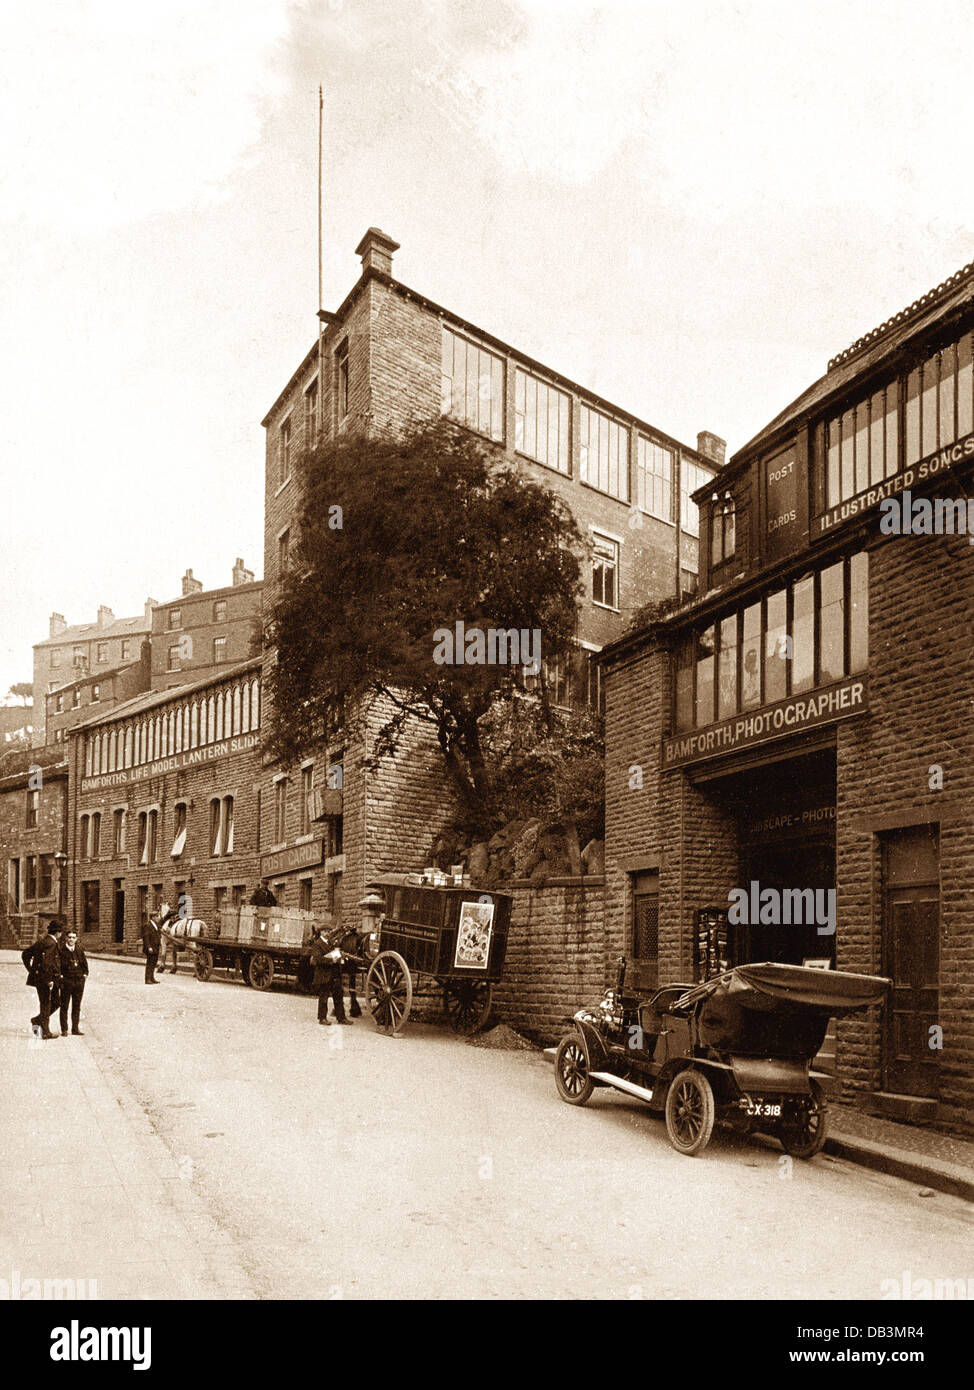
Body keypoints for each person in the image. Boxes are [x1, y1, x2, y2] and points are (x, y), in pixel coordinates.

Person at [22, 917, 63, 1039]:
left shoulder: (42, 941)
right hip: (47, 979)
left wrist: (32, 971)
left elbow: (25, 954)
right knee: (46, 1004)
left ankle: (37, 1020)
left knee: (55, 1002)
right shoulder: (51, 943)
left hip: (43, 978)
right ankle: (45, 1031)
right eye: (60, 932)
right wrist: (48, 980)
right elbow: (47, 964)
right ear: (58, 933)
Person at [310, 924, 349, 1026]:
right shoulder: (316, 944)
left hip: (334, 974)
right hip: (324, 974)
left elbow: (335, 953)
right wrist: (332, 960)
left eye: (329, 931)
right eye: (326, 931)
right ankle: (322, 1018)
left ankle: (341, 1018)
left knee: (338, 996)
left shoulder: (331, 943)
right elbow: (318, 959)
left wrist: (340, 956)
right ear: (321, 932)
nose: (328, 933)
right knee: (324, 997)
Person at [57, 928, 89, 1036]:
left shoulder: (79, 950)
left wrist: (84, 975)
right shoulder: (61, 951)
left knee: (77, 1006)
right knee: (64, 1006)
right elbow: (58, 967)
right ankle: (64, 1029)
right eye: (69, 937)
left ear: (76, 939)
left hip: (79, 983)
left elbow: (85, 965)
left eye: (73, 937)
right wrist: (61, 978)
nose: (71, 939)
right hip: (66, 982)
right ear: (66, 938)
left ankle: (75, 1028)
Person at [142, 909, 162, 984]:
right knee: (149, 963)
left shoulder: (156, 925)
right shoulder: (147, 925)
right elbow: (146, 938)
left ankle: (152, 978)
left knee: (154, 962)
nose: (158, 918)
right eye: (157, 916)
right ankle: (147, 979)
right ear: (153, 917)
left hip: (156, 947)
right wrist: (149, 947)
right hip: (151, 947)